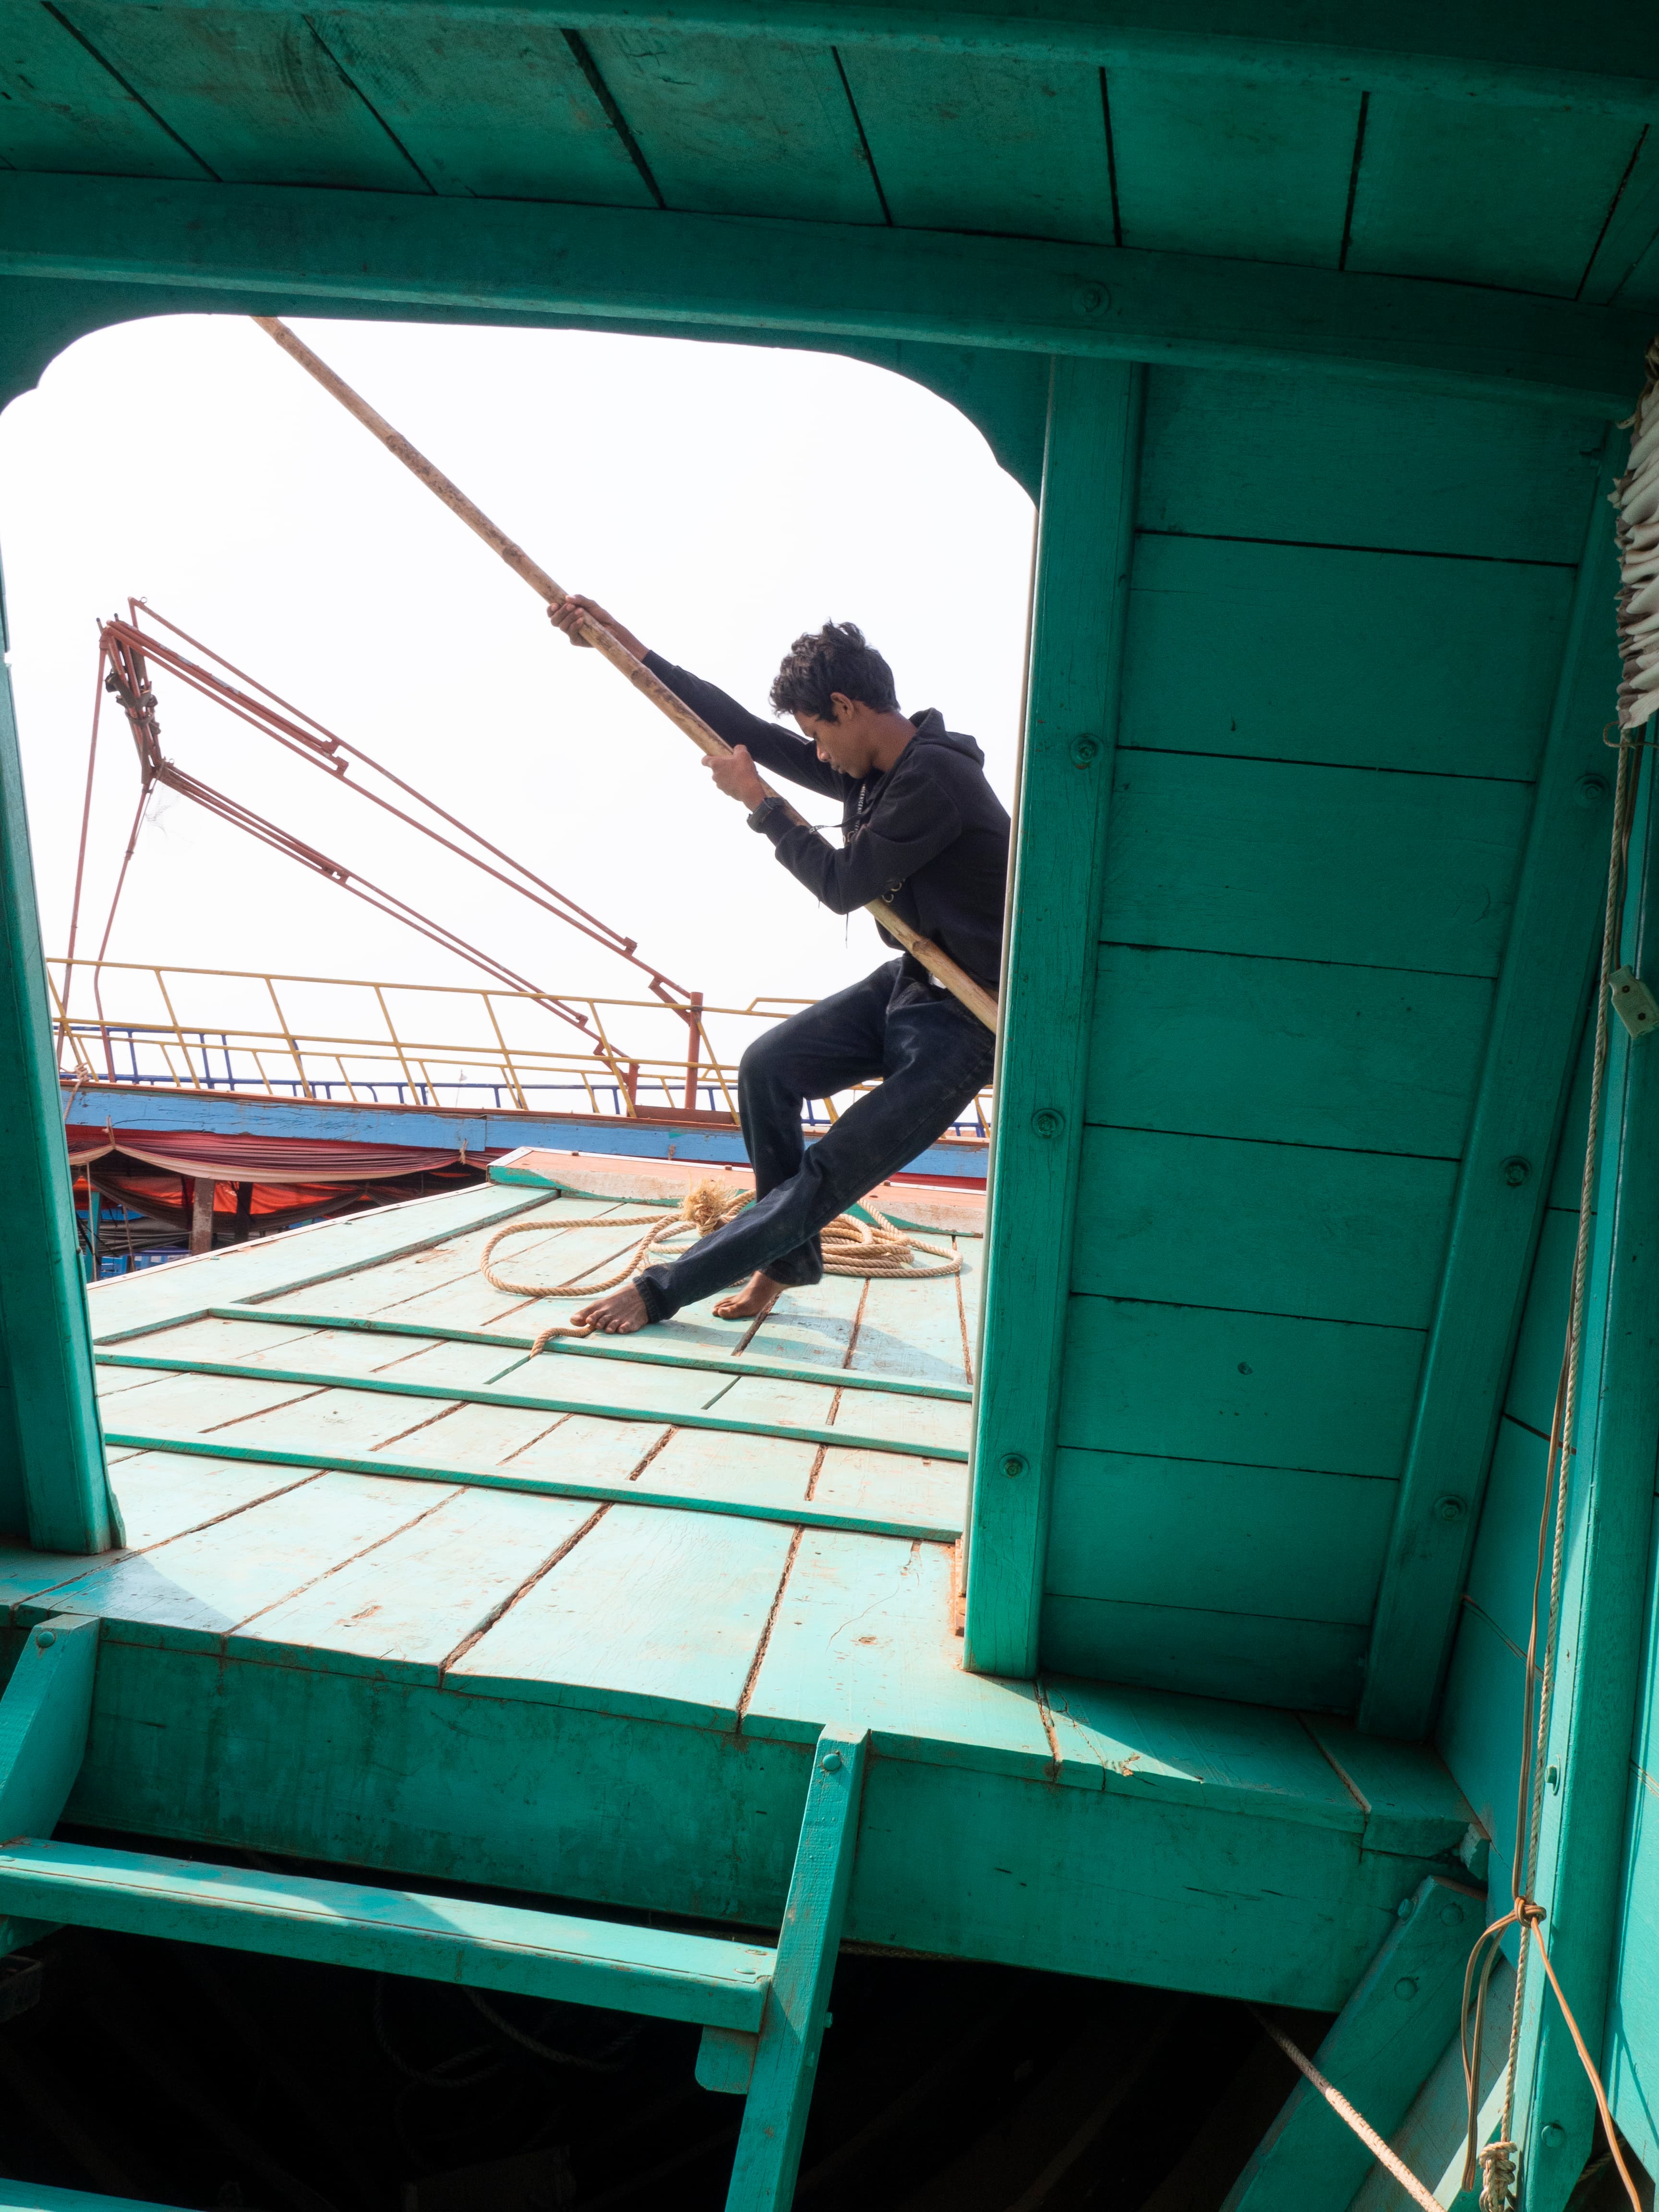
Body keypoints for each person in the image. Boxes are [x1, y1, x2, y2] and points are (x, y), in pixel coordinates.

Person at [548, 596, 1007, 1333]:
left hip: (971, 1016)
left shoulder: (935, 778)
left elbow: (843, 885)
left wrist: (760, 804)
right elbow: (751, 734)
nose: (816, 754)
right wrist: (626, 650)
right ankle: (789, 1260)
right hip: (916, 981)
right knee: (768, 1067)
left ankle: (661, 1291)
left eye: (818, 734)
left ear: (846, 706)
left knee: (830, 1171)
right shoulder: (872, 768)